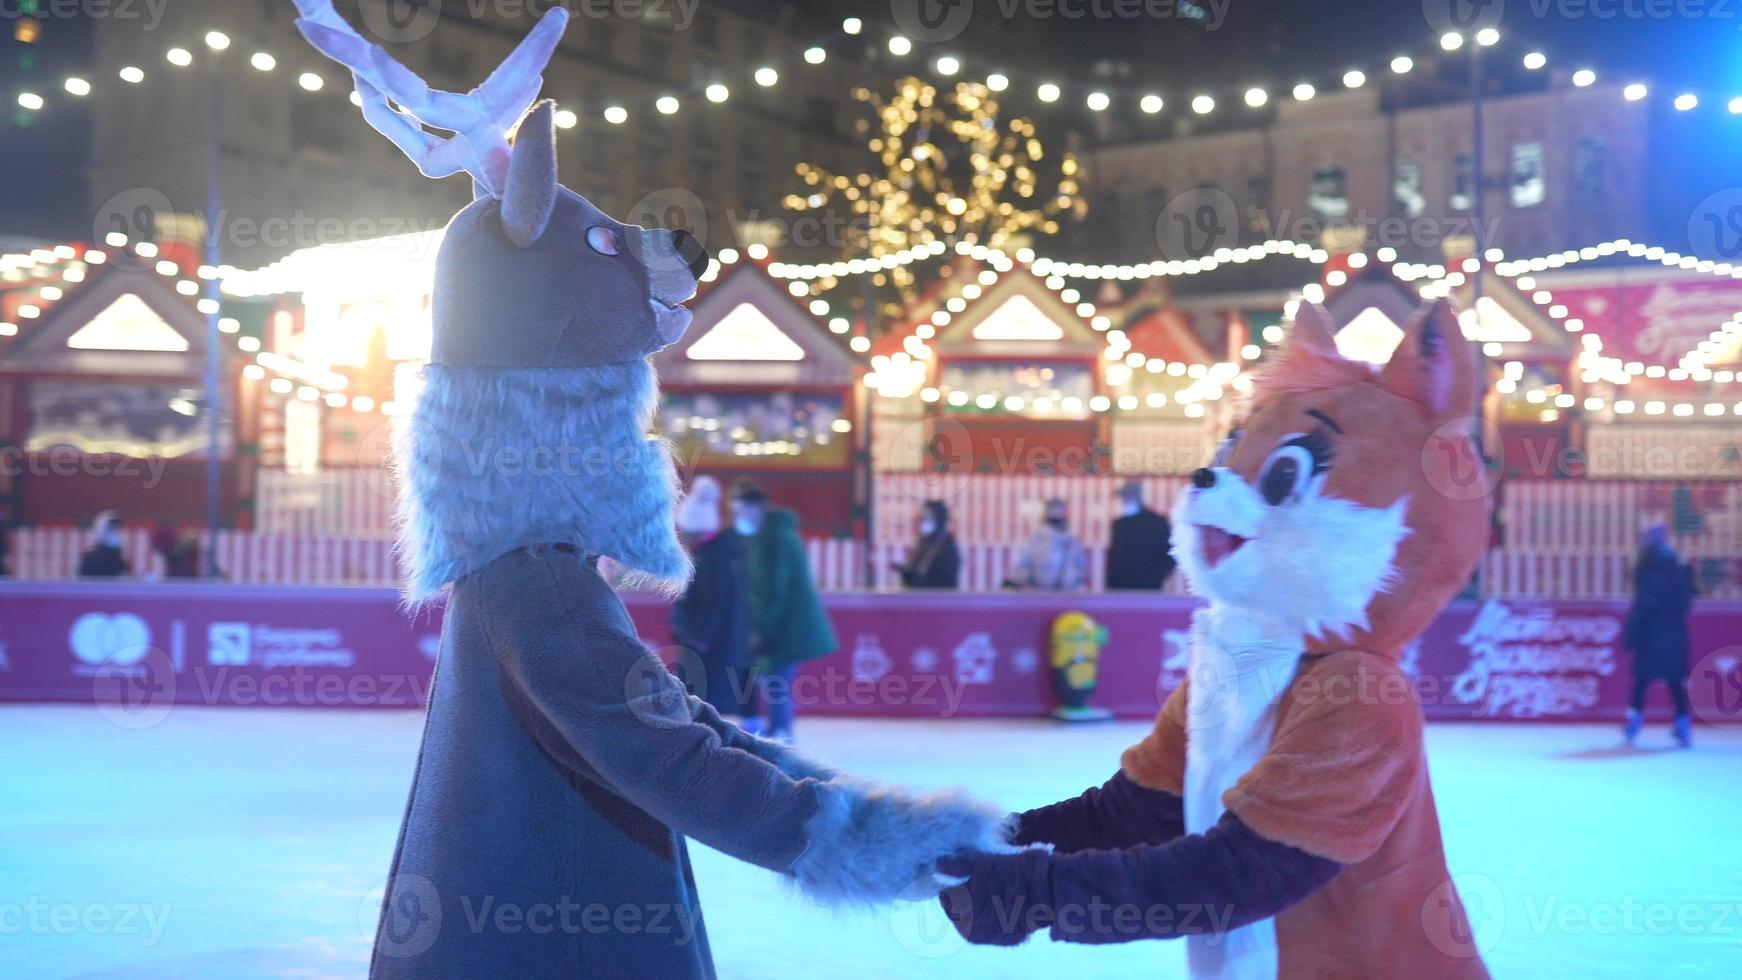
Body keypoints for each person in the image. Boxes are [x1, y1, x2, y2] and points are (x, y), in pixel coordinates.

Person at [735, 485, 838, 740]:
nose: (739, 518)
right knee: (773, 682)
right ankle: (778, 733)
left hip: (787, 625)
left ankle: (781, 737)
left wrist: (762, 630)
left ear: (756, 508)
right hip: (785, 622)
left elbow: (773, 588)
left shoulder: (774, 538)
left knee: (776, 684)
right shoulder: (773, 535)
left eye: (741, 511)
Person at [671, 477, 759, 728]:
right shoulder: (724, 554)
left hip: (708, 647)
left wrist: (697, 636)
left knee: (701, 705)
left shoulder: (709, 560)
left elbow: (713, 603)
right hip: (717, 643)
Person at [1622, 524, 1696, 748]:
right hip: (1674, 633)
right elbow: (1686, 603)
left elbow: (1642, 605)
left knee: (1642, 681)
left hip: (1650, 633)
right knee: (1675, 681)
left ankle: (1633, 723)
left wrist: (1630, 634)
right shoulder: (1679, 568)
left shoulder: (1644, 569)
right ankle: (1683, 725)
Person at [1005, 497, 1087, 591]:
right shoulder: (1035, 540)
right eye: (1053, 510)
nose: (1056, 514)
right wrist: (1016, 581)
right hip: (1038, 594)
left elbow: (1080, 567)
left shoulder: (1071, 541)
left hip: (1066, 594)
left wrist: (1074, 580)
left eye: (1059, 510)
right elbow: (1022, 565)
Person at [1105, 480, 1175, 590]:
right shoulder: (1119, 524)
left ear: (1137, 496)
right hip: (1120, 588)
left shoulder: (1156, 522)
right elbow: (1114, 558)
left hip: (1148, 589)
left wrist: (1153, 578)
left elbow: (1169, 555)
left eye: (1127, 496)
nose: (1124, 500)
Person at [892, 499, 960, 589]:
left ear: (939, 519)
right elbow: (915, 574)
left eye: (928, 518)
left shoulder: (947, 548)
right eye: (922, 518)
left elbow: (945, 583)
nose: (923, 522)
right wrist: (905, 573)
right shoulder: (923, 543)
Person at [77, 510, 127, 577]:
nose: (115, 532)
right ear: (100, 530)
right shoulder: (91, 559)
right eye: (111, 528)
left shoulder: (119, 559)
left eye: (117, 528)